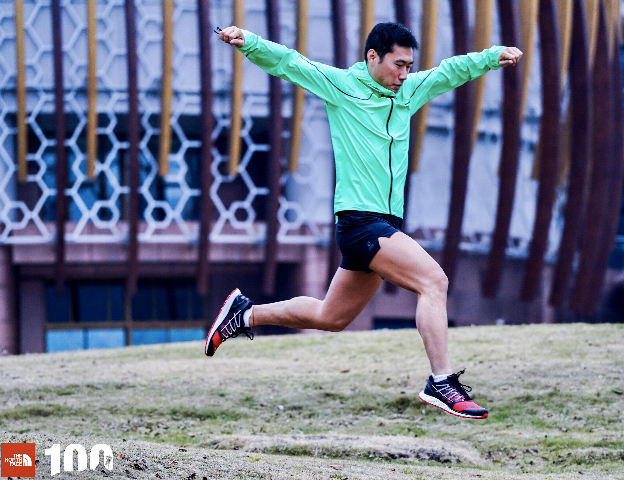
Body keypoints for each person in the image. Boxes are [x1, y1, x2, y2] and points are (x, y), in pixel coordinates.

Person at [206, 22, 522, 419]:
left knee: (330, 317)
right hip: (360, 223)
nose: (404, 75)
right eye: (398, 65)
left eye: (409, 66)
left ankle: (245, 313)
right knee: (434, 281)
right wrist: (248, 42)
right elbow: (290, 63)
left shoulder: (408, 91)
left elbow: (449, 71)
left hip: (384, 223)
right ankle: (441, 381)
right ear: (373, 57)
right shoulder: (341, 86)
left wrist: (491, 57)